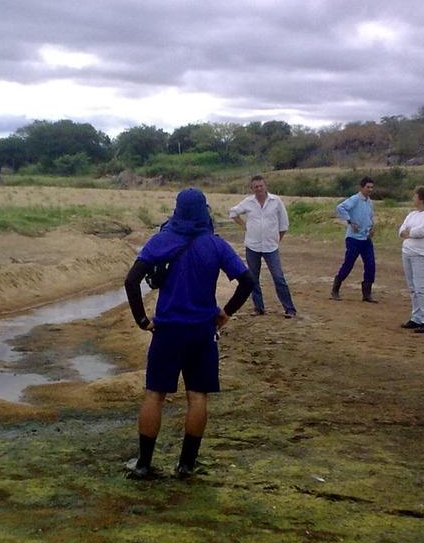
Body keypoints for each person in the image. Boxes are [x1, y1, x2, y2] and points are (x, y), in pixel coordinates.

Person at [124, 188, 254, 480]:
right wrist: (226, 313)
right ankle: (186, 466)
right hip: (202, 332)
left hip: (167, 330)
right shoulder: (216, 245)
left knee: (154, 395)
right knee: (197, 397)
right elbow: (247, 281)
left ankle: (143, 464)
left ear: (177, 210)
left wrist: (142, 320)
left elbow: (131, 281)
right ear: (204, 211)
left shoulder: (161, 240)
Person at [228, 174, 297, 318]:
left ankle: (290, 309)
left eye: (261, 186)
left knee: (278, 277)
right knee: (253, 278)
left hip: (271, 246)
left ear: (265, 186)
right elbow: (233, 212)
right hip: (252, 245)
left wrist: (277, 239)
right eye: (256, 187)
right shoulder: (248, 202)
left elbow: (284, 224)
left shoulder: (276, 201)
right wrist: (243, 224)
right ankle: (258, 307)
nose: (259, 189)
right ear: (252, 188)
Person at [397, 185, 424, 333]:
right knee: (413, 287)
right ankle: (416, 317)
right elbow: (401, 230)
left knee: (420, 288)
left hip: (420, 254)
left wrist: (409, 232)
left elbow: (422, 231)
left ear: (421, 198)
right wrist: (407, 232)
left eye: (415, 196)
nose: (413, 198)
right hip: (407, 252)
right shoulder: (412, 214)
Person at [330, 176, 378, 302]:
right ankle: (335, 288)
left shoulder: (369, 202)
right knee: (348, 264)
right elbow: (340, 207)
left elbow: (371, 216)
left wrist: (373, 227)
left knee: (371, 265)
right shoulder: (355, 199)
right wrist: (350, 221)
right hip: (353, 238)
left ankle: (366, 294)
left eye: (372, 187)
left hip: (366, 238)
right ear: (361, 187)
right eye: (368, 187)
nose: (370, 189)